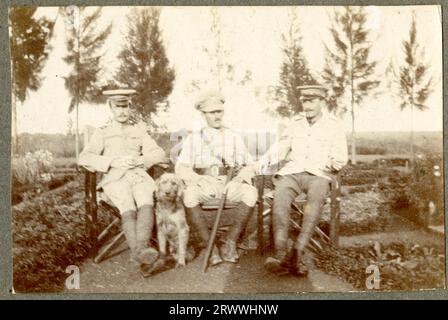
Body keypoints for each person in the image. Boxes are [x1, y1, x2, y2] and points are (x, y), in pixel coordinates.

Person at [256, 84, 348, 276]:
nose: (308, 105)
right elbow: (280, 149)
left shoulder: (333, 125)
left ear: (322, 101)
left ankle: (298, 252)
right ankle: (281, 253)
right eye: (305, 101)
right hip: (293, 173)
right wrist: (261, 163)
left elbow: (340, 157)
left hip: (318, 175)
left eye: (312, 101)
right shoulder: (295, 123)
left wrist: (329, 164)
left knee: (312, 204)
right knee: (280, 200)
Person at [79, 89, 166, 270]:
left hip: (138, 174)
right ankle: (142, 250)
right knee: (127, 205)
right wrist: (112, 161)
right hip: (115, 177)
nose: (122, 111)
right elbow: (85, 157)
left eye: (125, 106)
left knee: (146, 200)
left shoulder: (139, 130)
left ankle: (138, 250)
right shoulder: (102, 132)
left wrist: (142, 160)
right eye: (117, 107)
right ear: (111, 108)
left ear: (130, 107)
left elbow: (159, 153)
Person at [175, 91, 257, 265]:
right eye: (212, 112)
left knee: (250, 193)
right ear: (203, 114)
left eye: (219, 111)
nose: (217, 115)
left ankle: (230, 242)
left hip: (229, 183)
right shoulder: (194, 138)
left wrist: (239, 179)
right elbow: (181, 167)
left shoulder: (233, 137)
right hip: (204, 183)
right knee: (189, 196)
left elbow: (250, 164)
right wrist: (197, 179)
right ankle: (209, 246)